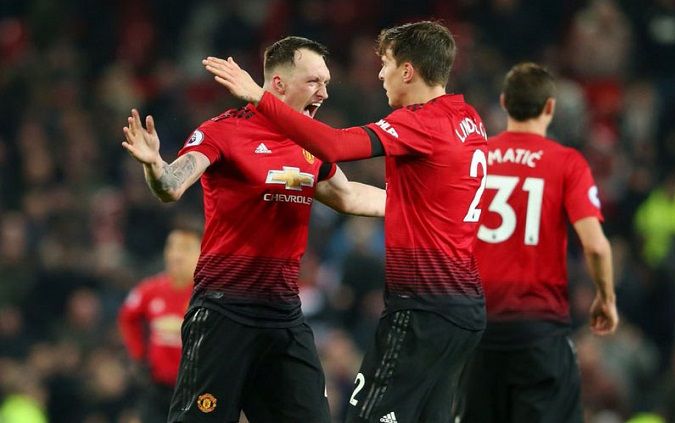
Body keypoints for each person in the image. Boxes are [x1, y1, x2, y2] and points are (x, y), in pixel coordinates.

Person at [204, 20, 487, 423]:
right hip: (466, 309)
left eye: (386, 64)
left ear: (407, 70)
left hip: (424, 308)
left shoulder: (422, 122)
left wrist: (258, 96)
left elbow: (334, 145)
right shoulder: (468, 117)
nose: (380, 74)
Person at [122, 36, 386, 423]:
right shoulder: (224, 131)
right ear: (277, 84)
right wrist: (154, 167)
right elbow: (172, 185)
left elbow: (348, 196)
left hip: (284, 316)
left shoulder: (309, 144)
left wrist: (424, 206)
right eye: (314, 82)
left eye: (326, 83)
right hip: (224, 313)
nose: (325, 93)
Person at [454, 62, 619, 423]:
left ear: (503, 102)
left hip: (476, 327)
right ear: (550, 107)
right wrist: (605, 298)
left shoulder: (474, 157)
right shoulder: (567, 163)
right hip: (538, 329)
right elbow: (595, 245)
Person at [118, 225, 201, 423]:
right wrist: (139, 354)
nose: (176, 255)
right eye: (171, 247)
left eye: (185, 248)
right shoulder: (150, 290)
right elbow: (127, 317)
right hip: (158, 387)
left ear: (202, 252)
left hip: (196, 388)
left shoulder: (208, 295)